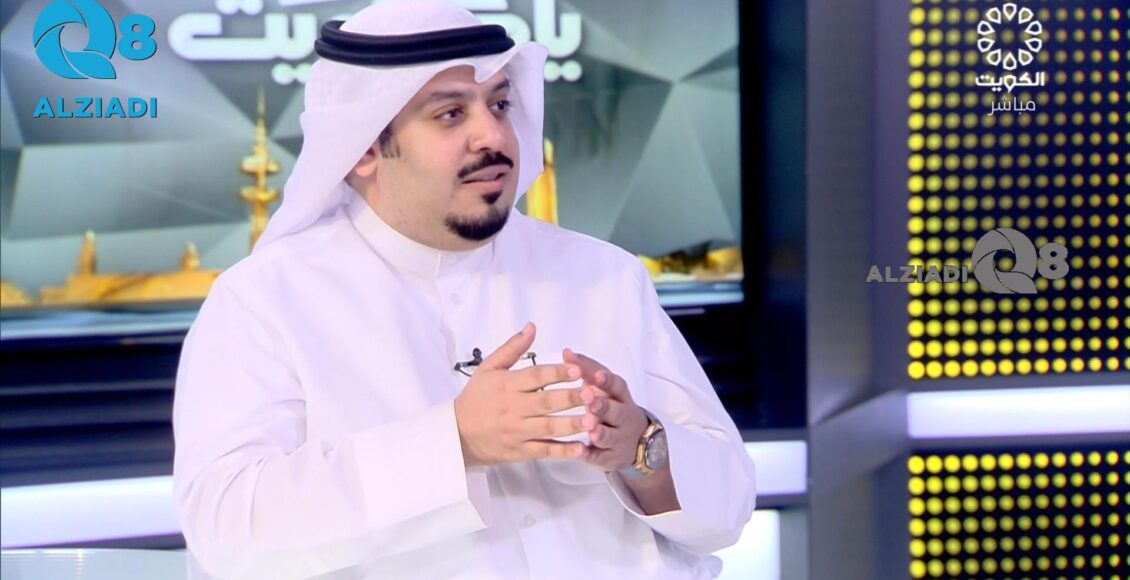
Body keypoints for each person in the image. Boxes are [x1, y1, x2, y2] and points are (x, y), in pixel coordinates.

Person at [172, 1, 756, 578]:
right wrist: (455, 442)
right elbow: (227, 531)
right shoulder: (265, 302)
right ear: (364, 149)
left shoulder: (603, 275)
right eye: (450, 114)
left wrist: (639, 448)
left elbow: (730, 504)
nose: (493, 135)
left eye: (499, 104)